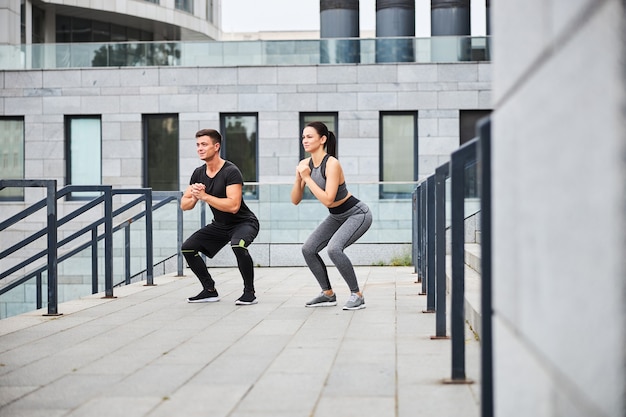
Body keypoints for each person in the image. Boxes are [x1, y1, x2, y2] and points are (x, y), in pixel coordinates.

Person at [291, 121, 373, 310]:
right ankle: (327, 294)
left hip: (357, 214)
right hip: (336, 216)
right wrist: (299, 179)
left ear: (322, 139)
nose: (305, 140)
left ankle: (357, 295)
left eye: (309, 136)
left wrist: (307, 178)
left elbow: (328, 199)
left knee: (334, 249)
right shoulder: (305, 165)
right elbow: (295, 200)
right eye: (303, 137)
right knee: (308, 249)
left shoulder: (332, 164)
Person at [181, 128, 260, 305]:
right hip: (219, 225)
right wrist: (194, 195)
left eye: (204, 144)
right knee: (187, 248)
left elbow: (233, 206)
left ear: (216, 146)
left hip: (244, 222)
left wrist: (205, 196)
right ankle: (209, 290)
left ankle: (249, 292)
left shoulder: (231, 171)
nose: (200, 148)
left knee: (238, 245)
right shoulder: (198, 173)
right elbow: (184, 205)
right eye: (198, 145)